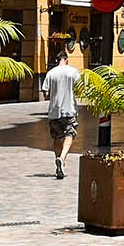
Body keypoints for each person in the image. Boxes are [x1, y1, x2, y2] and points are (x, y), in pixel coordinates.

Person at [41, 45, 81, 180]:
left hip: (54, 111)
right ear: (67, 59)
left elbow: (46, 93)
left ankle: (59, 163)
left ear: (57, 60)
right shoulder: (73, 72)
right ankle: (62, 158)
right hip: (69, 109)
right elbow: (80, 89)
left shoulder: (51, 73)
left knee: (57, 138)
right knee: (70, 134)